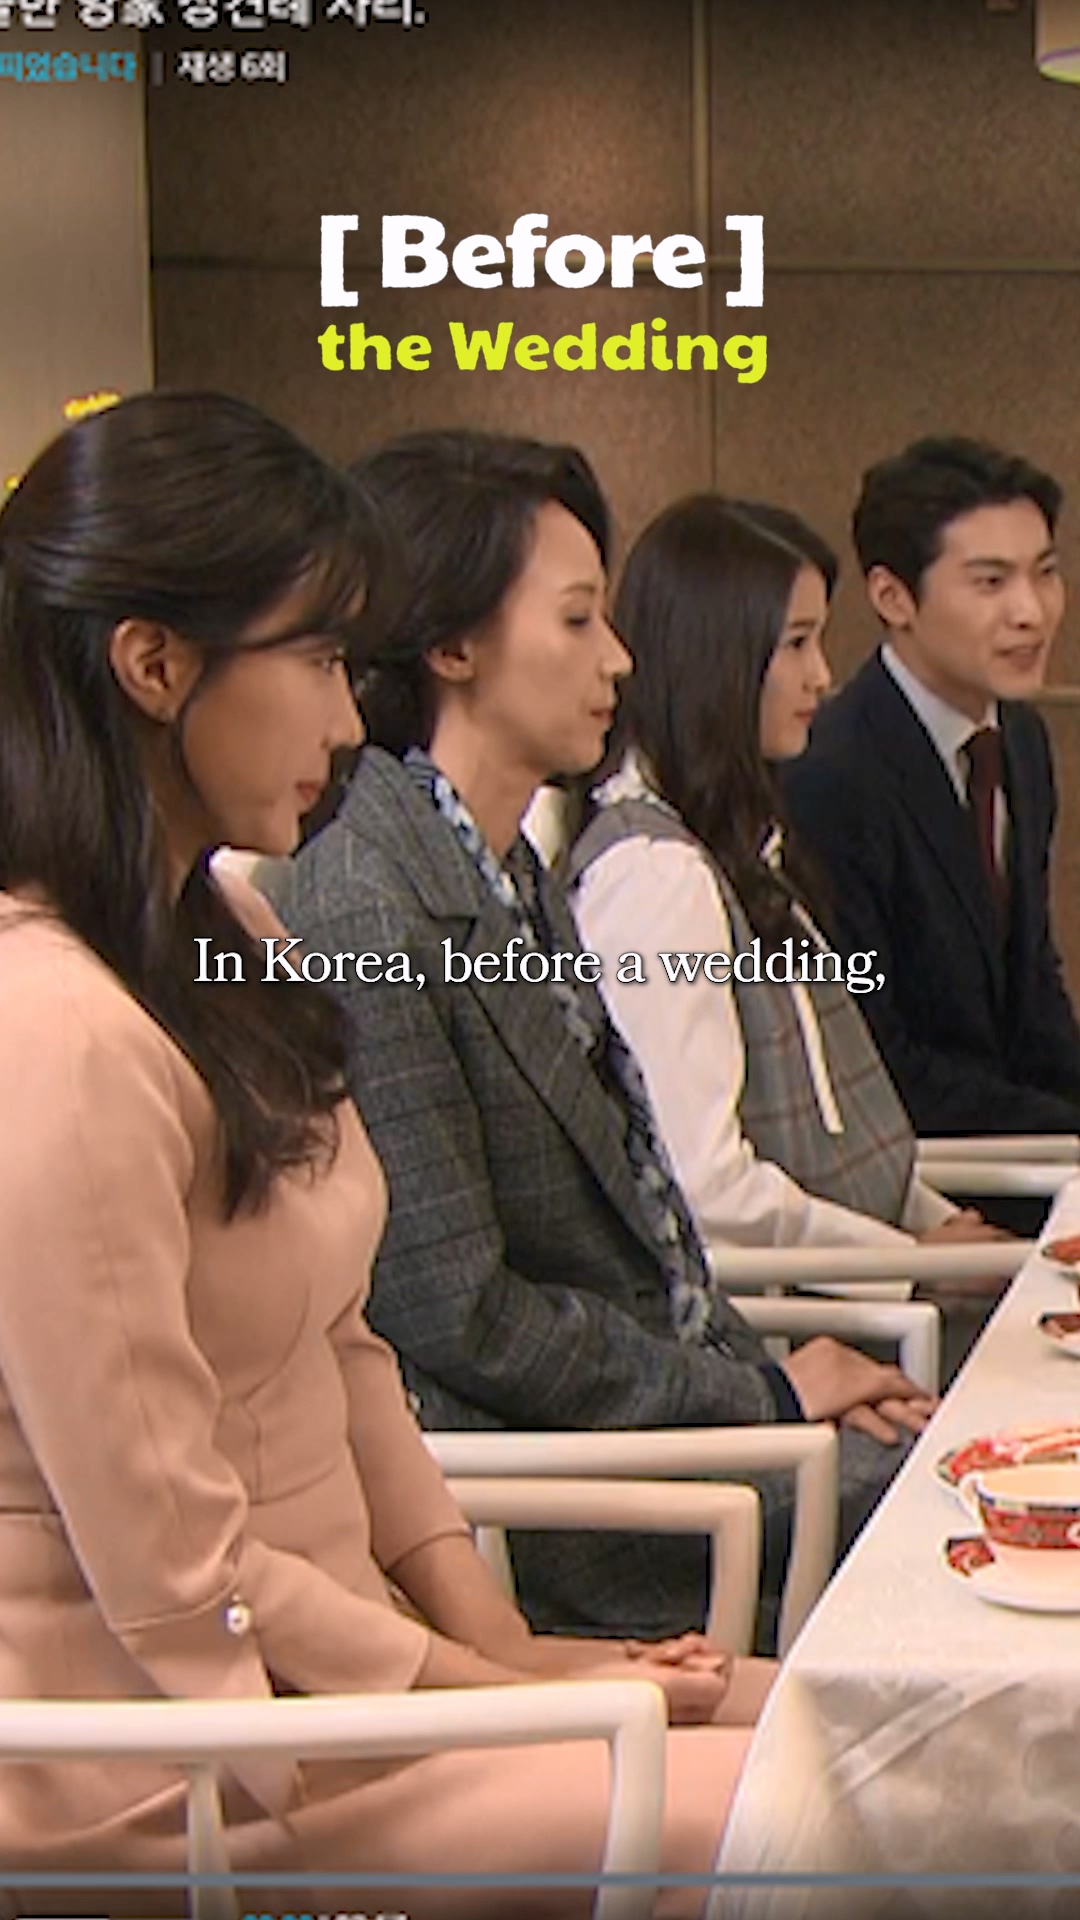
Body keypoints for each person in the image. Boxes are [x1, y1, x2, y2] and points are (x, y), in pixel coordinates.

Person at [0, 391, 771, 1920]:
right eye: (314, 663)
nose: (354, 723)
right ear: (155, 665)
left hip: (340, 1687)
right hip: (176, 1762)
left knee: (843, 1715)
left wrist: (491, 1638)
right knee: (823, 1807)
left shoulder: (236, 943)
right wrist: (481, 1682)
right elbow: (173, 1576)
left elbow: (348, 1350)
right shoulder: (54, 1032)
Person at [264, 429, 936, 1658]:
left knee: (965, 1465)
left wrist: (775, 1372)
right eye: (577, 622)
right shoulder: (369, 894)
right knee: (961, 1519)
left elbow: (647, 1235)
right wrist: (767, 1393)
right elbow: (458, 1313)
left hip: (671, 1437)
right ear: (451, 645)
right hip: (563, 1509)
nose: (618, 659)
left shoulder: (504, 861)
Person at [567, 495, 1003, 1301]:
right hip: (805, 1329)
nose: (822, 676)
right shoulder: (656, 880)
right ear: (719, 657)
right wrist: (909, 1264)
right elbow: (703, 1186)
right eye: (796, 643)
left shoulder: (735, 845)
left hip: (863, 1292)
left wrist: (938, 1235)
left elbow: (836, 1130)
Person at [784, 435, 1080, 1145]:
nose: (1031, 612)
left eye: (1044, 573)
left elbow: (1032, 995)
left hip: (1025, 1149)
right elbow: (876, 1058)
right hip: (921, 1177)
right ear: (893, 597)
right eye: (990, 582)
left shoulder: (1022, 740)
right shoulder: (830, 772)